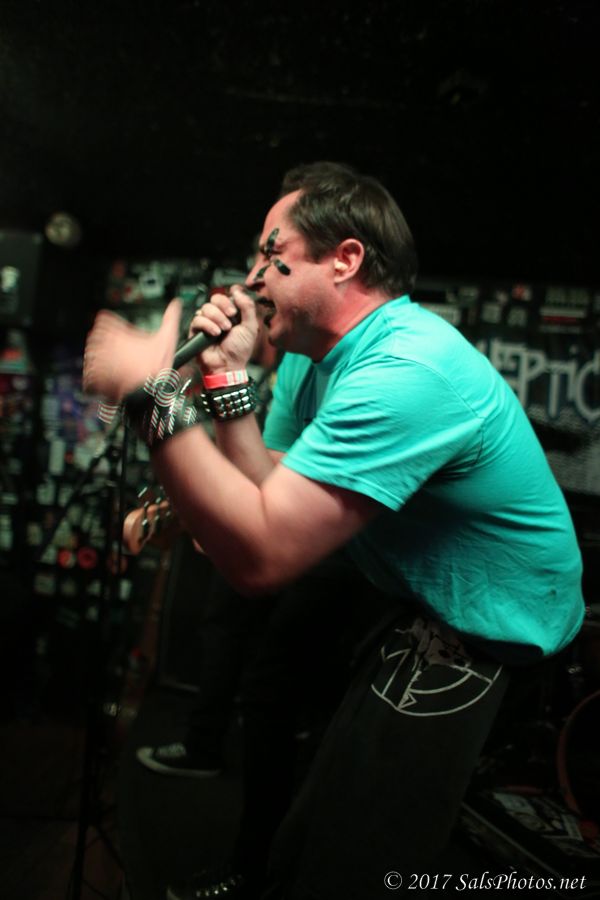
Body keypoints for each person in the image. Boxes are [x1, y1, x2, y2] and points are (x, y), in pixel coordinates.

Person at [83, 161, 585, 899]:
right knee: (316, 827)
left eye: (272, 254)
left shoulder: (407, 368)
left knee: (358, 858)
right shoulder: (322, 360)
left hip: (492, 636)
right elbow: (270, 485)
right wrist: (223, 377)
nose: (253, 278)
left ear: (345, 259)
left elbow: (262, 556)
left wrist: (152, 395)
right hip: (424, 608)